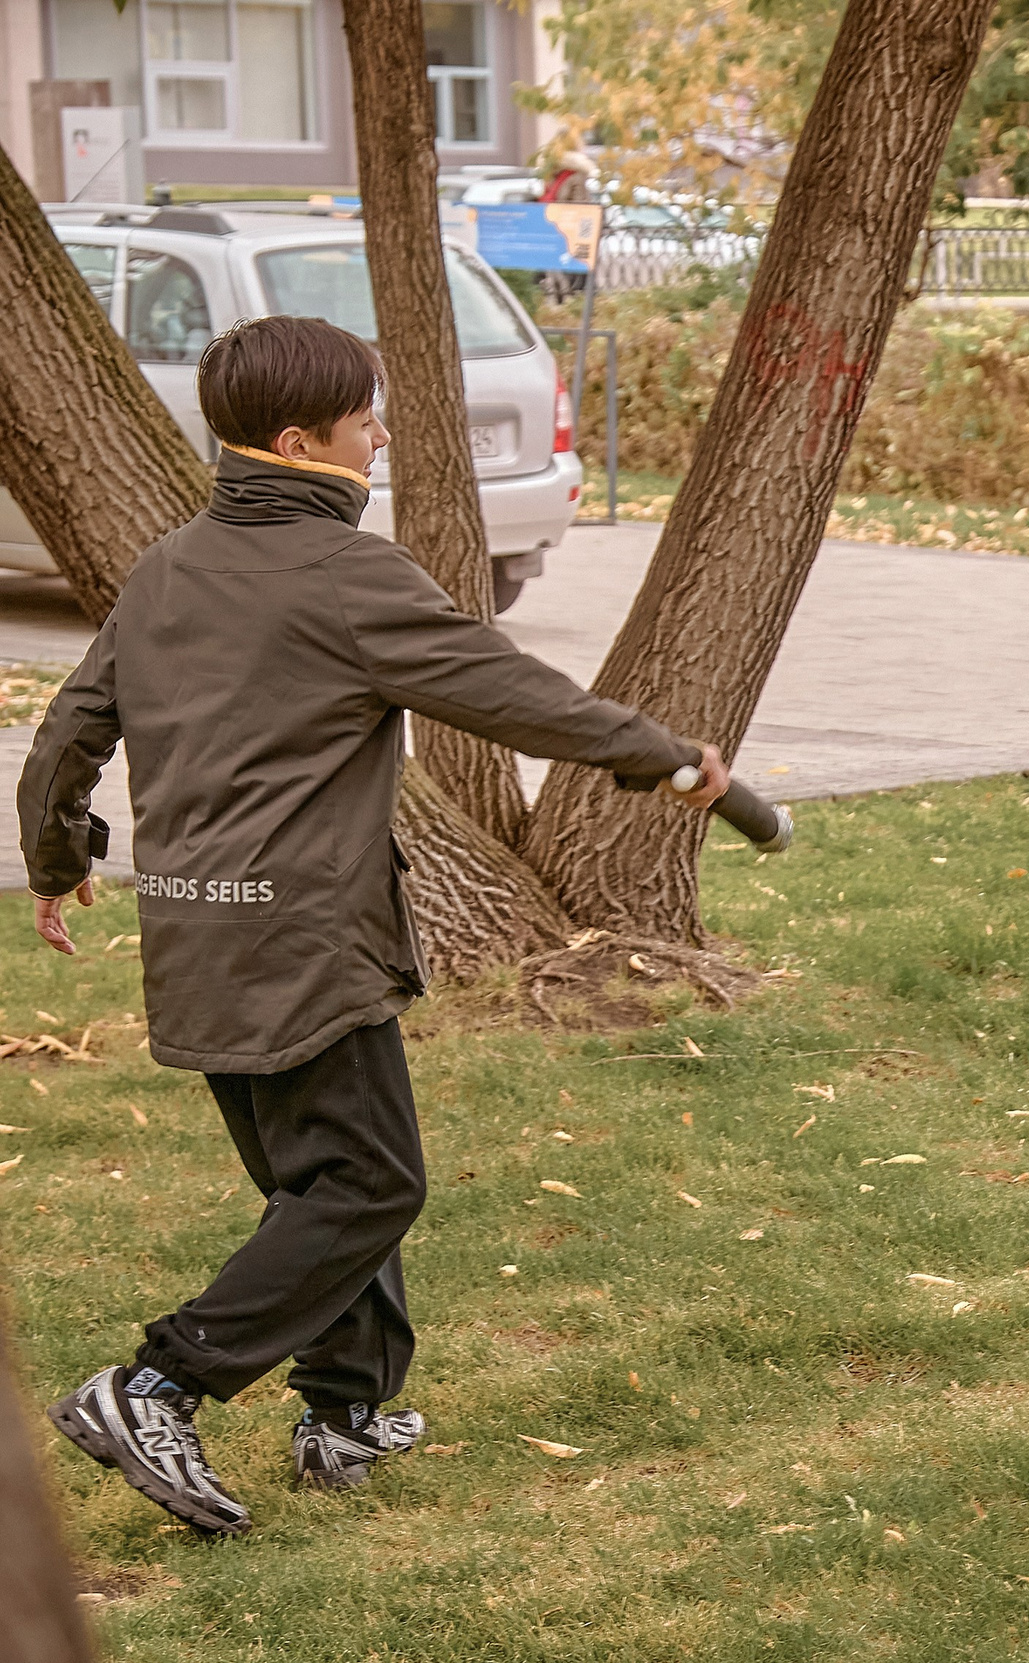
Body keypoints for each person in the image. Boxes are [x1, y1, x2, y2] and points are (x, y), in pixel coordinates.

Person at [18, 316, 731, 1534]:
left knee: (318, 1180)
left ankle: (346, 1411)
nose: (380, 435)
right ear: (301, 442)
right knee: (366, 1183)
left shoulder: (168, 565)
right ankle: (156, 1385)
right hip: (300, 935)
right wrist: (664, 760)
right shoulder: (350, 576)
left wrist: (54, 857)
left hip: (197, 926)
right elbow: (511, 693)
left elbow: (65, 740)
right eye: (364, 421)